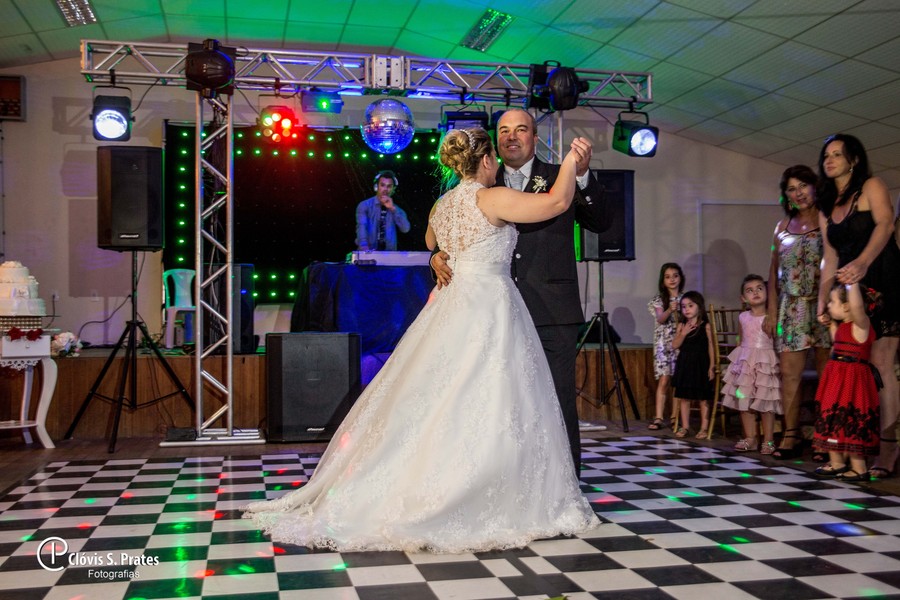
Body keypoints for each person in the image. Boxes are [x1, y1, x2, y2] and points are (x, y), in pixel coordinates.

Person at [243, 128, 600, 552]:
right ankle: (480, 488)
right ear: (487, 161)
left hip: (452, 305)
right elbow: (556, 202)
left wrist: (440, 256)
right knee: (492, 394)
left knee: (443, 395)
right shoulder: (491, 197)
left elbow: (432, 240)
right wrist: (570, 162)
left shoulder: (442, 204)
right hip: (489, 305)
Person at [431, 109, 609, 473]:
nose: (511, 136)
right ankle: (512, 480)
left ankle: (565, 480)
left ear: (535, 137)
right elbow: (447, 238)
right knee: (499, 403)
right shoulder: (477, 185)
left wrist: (582, 174)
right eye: (504, 130)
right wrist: (435, 257)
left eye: (521, 129)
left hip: (551, 310)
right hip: (490, 316)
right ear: (493, 144)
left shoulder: (559, 176)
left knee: (555, 398)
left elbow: (601, 222)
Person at [816, 134, 900, 480]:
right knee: (854, 367)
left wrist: (864, 262)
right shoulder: (826, 203)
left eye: (837, 154)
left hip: (881, 277)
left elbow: (886, 224)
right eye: (826, 155)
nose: (830, 159)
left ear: (853, 160)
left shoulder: (871, 186)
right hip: (849, 288)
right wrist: (822, 298)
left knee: (880, 364)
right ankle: (852, 446)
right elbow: (829, 255)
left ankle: (888, 448)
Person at [766, 165, 830, 460]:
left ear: (814, 186)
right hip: (791, 307)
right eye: (792, 188)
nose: (799, 193)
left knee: (827, 374)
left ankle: (825, 436)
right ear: (786, 195)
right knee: (789, 374)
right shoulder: (782, 227)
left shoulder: (828, 218)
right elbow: (772, 272)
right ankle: (790, 434)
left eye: (803, 185)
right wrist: (771, 310)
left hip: (824, 305)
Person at [812, 282, 880, 482]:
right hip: (836, 379)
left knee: (851, 419)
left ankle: (859, 468)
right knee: (832, 418)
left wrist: (852, 284)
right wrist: (831, 324)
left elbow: (857, 306)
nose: (829, 306)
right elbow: (837, 342)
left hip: (853, 382)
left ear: (847, 306)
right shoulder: (842, 326)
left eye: (832, 302)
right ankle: (837, 462)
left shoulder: (861, 324)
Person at [722, 274, 782, 454]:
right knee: (744, 399)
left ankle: (768, 440)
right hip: (746, 362)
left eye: (759, 288)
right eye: (750, 290)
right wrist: (737, 364)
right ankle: (750, 437)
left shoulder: (772, 317)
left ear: (767, 293)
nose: (755, 292)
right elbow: (740, 340)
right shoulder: (743, 317)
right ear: (743, 298)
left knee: (765, 402)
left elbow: (778, 338)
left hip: (765, 362)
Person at [647, 263, 684, 430]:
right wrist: (670, 309)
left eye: (675, 276)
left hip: (680, 342)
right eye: (668, 277)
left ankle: (676, 416)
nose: (672, 280)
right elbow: (661, 318)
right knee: (664, 379)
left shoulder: (685, 299)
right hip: (663, 344)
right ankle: (659, 417)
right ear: (663, 280)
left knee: (678, 380)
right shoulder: (659, 300)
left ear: (680, 278)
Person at [672, 291, 715, 439]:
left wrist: (712, 366)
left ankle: (703, 428)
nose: (687, 309)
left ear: (699, 306)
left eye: (690, 305)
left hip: (701, 364)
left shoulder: (706, 326)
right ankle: (685, 426)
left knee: (703, 398)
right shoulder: (682, 325)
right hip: (685, 364)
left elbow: (711, 347)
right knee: (684, 398)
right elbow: (674, 345)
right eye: (684, 306)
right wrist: (683, 333)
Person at [355, 170, 410, 251]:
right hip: (368, 252)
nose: (385, 189)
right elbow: (362, 226)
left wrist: (393, 209)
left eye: (389, 186)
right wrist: (364, 247)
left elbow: (405, 229)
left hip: (389, 254)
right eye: (382, 185)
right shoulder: (364, 205)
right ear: (376, 187)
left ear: (393, 189)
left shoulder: (396, 209)